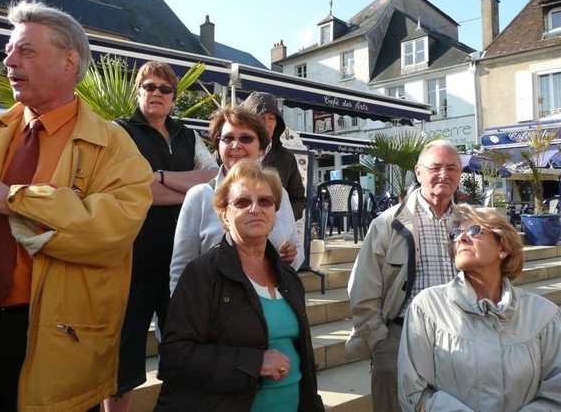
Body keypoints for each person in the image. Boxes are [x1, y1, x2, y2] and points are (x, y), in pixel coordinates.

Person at [0, 0, 152, 412]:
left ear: (70, 62)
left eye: (25, 50)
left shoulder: (115, 145)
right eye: (10, 49)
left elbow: (112, 230)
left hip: (53, 338)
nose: (9, 60)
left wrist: (15, 200)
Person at [155, 159, 324, 411]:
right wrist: (254, 362)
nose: (255, 208)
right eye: (243, 202)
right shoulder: (202, 273)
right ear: (224, 213)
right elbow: (175, 356)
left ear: (275, 210)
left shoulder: (287, 276)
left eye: (265, 201)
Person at [105, 61, 218, 411]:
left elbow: (214, 179)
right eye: (149, 87)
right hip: (133, 263)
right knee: (122, 361)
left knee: (181, 351)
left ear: (173, 97)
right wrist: (188, 186)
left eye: (164, 89)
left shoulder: (188, 135)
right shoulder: (119, 132)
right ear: (138, 91)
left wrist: (158, 177)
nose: (156, 93)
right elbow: (134, 192)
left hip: (182, 265)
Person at [398, 204, 561, 411]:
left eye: (474, 231)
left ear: (502, 248)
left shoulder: (542, 316)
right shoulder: (428, 308)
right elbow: (415, 392)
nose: (461, 238)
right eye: (455, 234)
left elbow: (556, 393)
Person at [346, 139, 462, 412]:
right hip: (399, 337)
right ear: (418, 172)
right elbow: (362, 289)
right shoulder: (388, 223)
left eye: (452, 168)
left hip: (460, 339)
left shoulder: (468, 224)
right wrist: (380, 340)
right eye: (435, 167)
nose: (444, 174)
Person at [170, 105, 304, 295]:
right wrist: (182, 314)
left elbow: (296, 248)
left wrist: (292, 257)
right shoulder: (199, 196)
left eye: (246, 138)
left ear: (261, 149)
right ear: (218, 145)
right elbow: (180, 270)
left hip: (272, 301)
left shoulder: (277, 192)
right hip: (215, 310)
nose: (236, 145)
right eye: (228, 138)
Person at [241, 91, 306, 221]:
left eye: (271, 118)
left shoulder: (286, 158)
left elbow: (299, 200)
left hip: (275, 237)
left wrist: (281, 220)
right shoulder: (232, 152)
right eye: (260, 117)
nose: (266, 123)